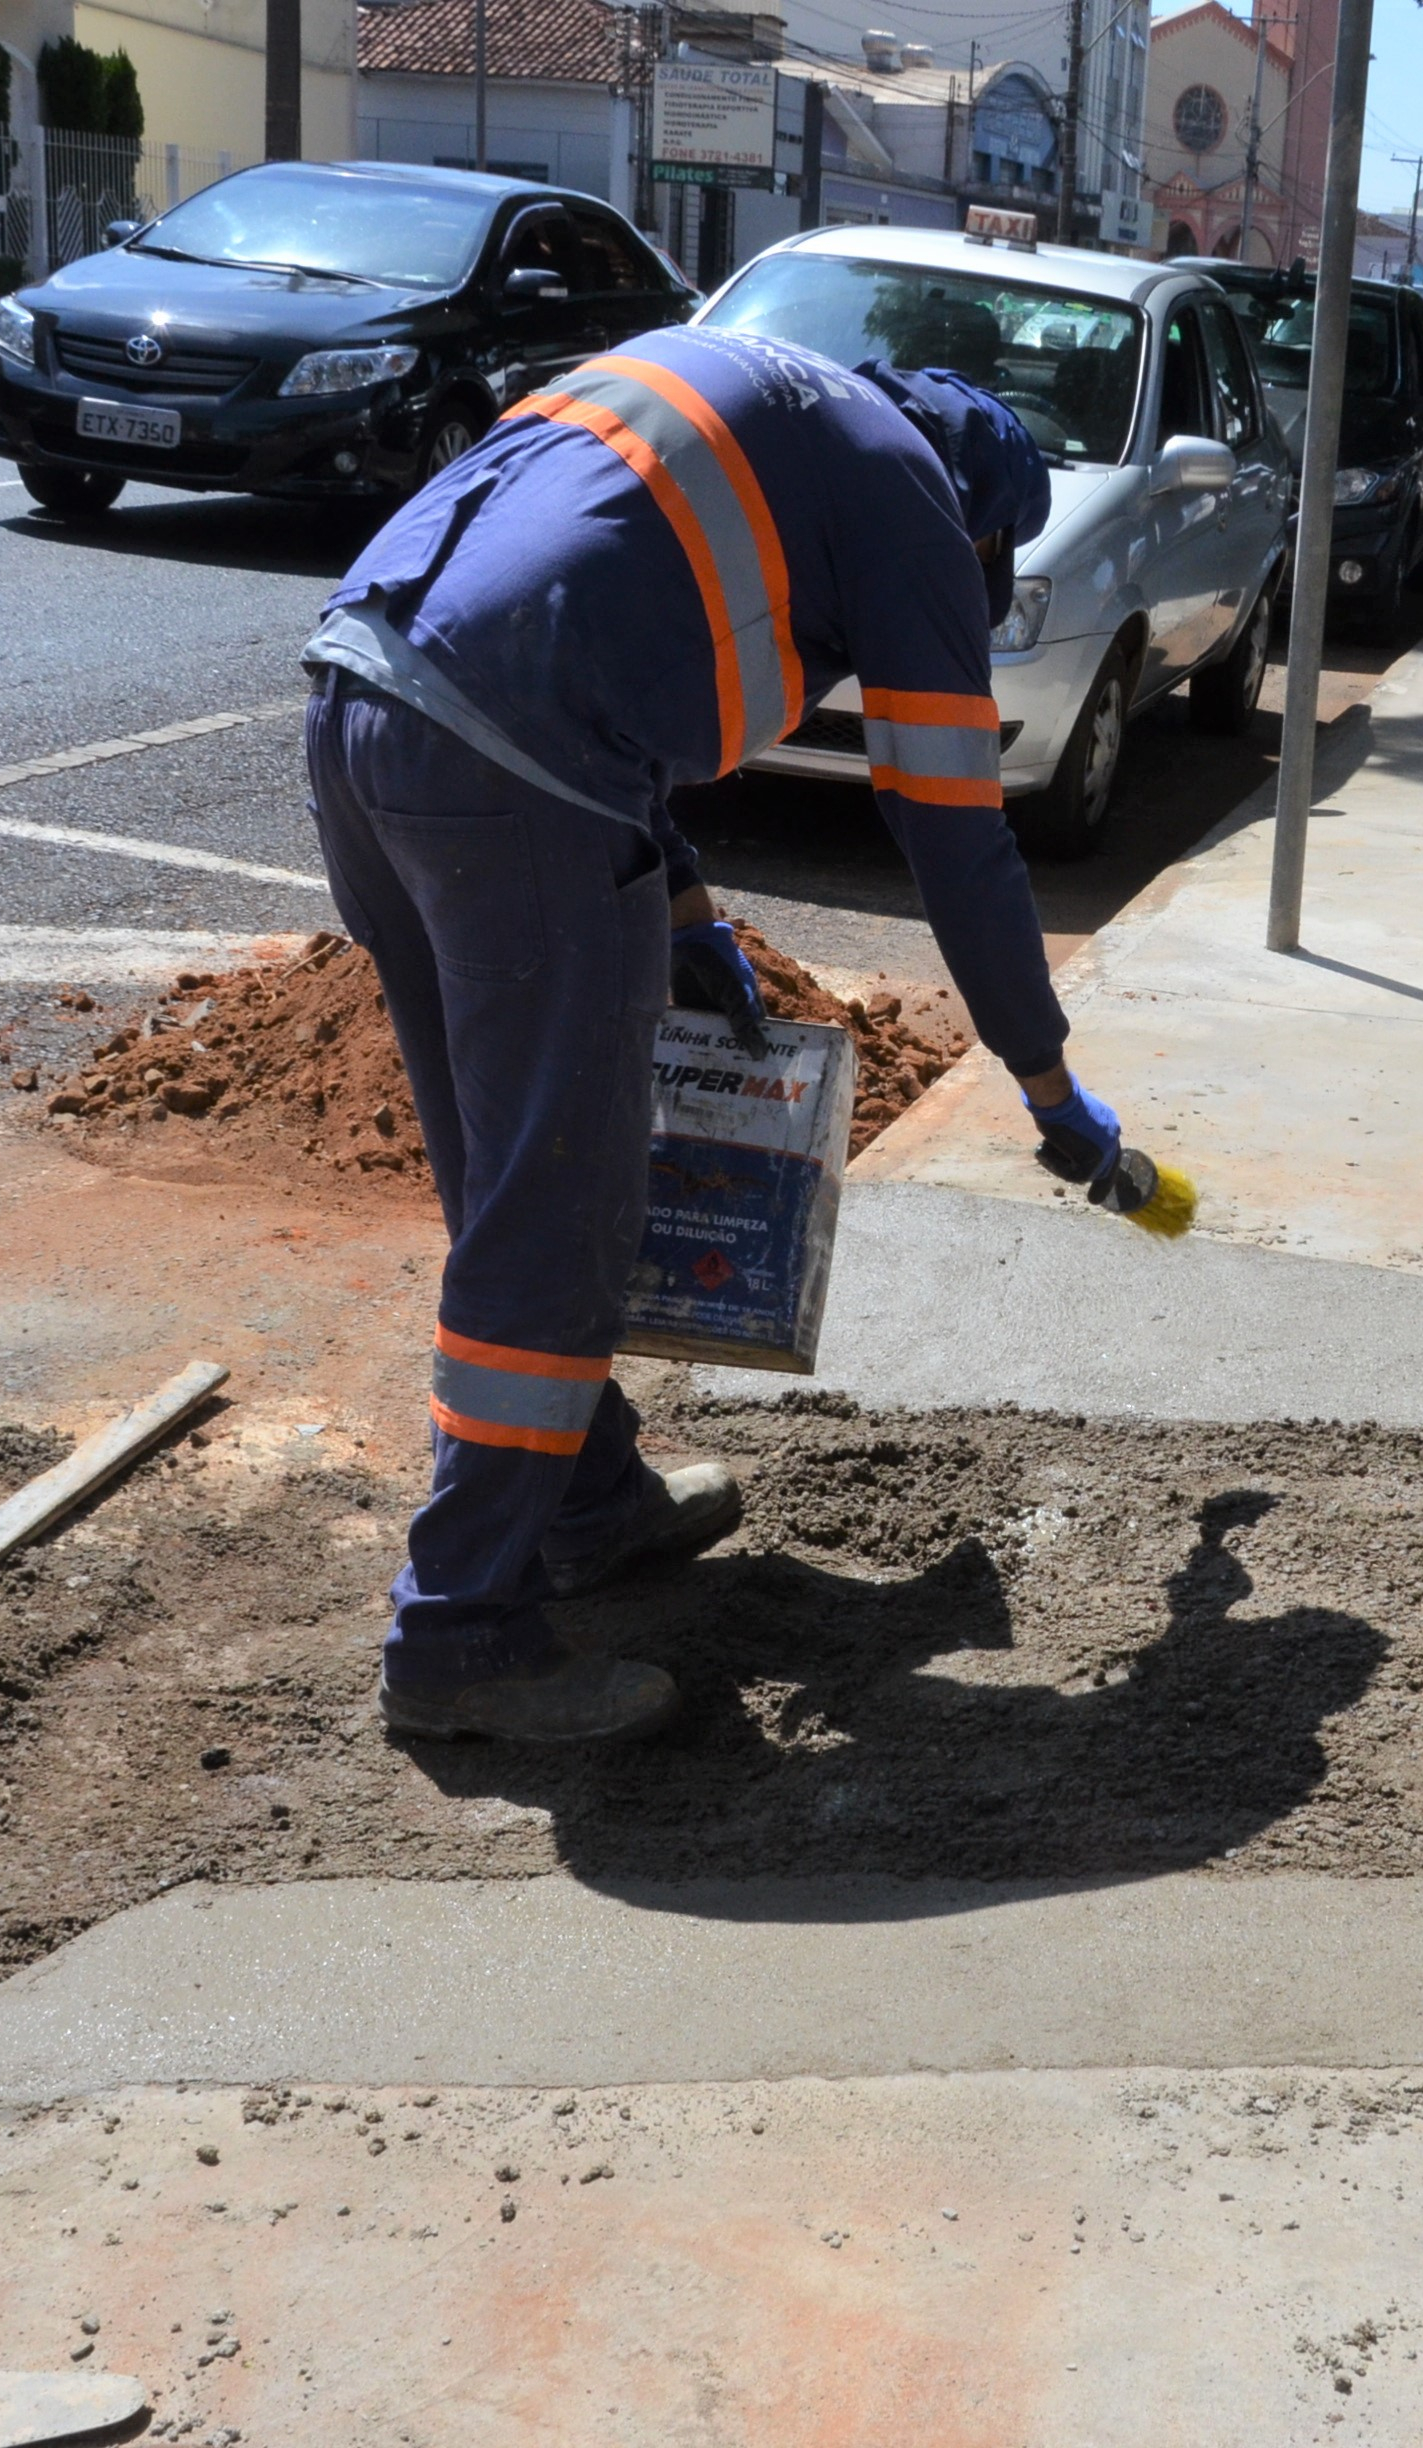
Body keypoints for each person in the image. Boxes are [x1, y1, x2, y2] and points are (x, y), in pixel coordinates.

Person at [300, 324, 1153, 1748]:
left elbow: (583, 602)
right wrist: (1046, 1079)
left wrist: (680, 901)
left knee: (506, 1175)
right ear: (983, 521)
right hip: (516, 767)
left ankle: (585, 1498)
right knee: (560, 1215)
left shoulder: (749, 382)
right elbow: (956, 839)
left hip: (361, 710)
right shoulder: (913, 500)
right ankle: (460, 1636)